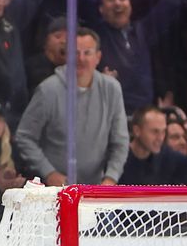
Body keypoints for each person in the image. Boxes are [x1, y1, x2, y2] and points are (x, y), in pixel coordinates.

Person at [15, 28, 129, 186]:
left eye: (87, 53)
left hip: (96, 191)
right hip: (55, 192)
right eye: (75, 53)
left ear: (98, 57)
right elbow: (24, 136)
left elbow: (120, 141)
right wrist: (49, 172)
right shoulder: (48, 90)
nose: (80, 59)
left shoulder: (112, 89)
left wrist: (111, 178)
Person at [118, 105, 187, 185]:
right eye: (155, 131)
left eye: (163, 131)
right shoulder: (116, 160)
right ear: (137, 131)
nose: (160, 138)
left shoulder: (175, 161)